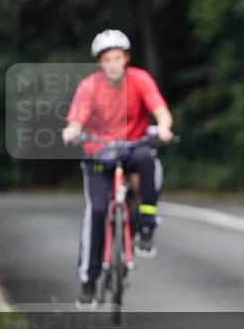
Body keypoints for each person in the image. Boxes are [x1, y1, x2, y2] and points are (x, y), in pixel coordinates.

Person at [61, 29, 174, 308]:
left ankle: (146, 224)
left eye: (118, 58)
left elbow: (160, 110)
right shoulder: (89, 86)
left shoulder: (140, 80)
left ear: (126, 59)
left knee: (150, 162)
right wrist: (72, 131)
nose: (113, 64)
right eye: (107, 59)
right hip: (99, 152)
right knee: (97, 212)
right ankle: (89, 280)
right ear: (100, 62)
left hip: (133, 146)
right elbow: (77, 118)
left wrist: (164, 128)